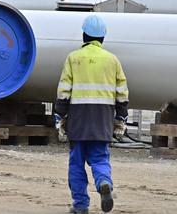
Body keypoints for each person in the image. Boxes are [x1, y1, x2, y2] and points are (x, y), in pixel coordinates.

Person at [54, 14, 129, 214]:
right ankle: (104, 182)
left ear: (84, 35)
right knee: (99, 158)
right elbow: (122, 93)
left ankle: (80, 206)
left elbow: (64, 91)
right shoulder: (112, 60)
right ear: (103, 37)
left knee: (76, 163)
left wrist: (59, 116)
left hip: (78, 119)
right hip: (103, 119)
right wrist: (121, 118)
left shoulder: (73, 58)